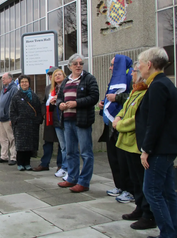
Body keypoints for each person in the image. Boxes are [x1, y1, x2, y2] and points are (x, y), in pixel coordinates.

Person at [135, 47, 177, 238]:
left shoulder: (158, 86)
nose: (139, 67)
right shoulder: (165, 83)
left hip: (160, 149)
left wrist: (146, 149)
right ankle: (172, 231)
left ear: (149, 64)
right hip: (167, 147)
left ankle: (168, 234)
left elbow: (155, 121)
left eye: (140, 63)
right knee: (168, 192)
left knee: (152, 191)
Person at [112, 61, 156, 231]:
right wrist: (117, 119)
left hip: (136, 144)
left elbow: (137, 120)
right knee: (134, 181)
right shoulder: (134, 92)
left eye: (134, 71)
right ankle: (139, 207)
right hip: (126, 143)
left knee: (142, 180)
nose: (131, 74)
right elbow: (123, 110)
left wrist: (119, 125)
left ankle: (148, 214)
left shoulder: (145, 93)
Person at [56, 53, 99, 193]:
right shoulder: (66, 81)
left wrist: (76, 103)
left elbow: (94, 97)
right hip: (67, 121)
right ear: (70, 66)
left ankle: (84, 182)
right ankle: (72, 178)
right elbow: (59, 98)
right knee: (70, 152)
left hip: (82, 121)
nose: (78, 66)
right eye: (75, 64)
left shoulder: (89, 78)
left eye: (81, 63)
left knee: (86, 153)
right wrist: (60, 104)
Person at [98, 54, 134, 203]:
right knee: (113, 159)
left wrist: (117, 98)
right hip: (110, 127)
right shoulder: (116, 78)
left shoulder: (130, 78)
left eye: (113, 65)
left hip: (122, 126)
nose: (110, 67)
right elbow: (110, 96)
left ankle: (129, 190)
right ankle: (119, 186)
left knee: (124, 160)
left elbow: (132, 98)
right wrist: (104, 102)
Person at [10, 75, 43, 171]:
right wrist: (15, 121)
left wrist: (38, 120)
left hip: (32, 124)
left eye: (26, 82)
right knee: (20, 145)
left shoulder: (34, 96)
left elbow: (38, 109)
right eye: (22, 82)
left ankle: (27, 163)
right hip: (20, 125)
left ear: (29, 83)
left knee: (30, 145)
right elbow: (12, 111)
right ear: (19, 84)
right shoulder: (16, 96)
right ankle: (20, 163)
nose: (24, 83)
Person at [33, 67, 62, 173]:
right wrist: (44, 113)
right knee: (47, 142)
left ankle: (60, 164)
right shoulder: (48, 88)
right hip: (49, 119)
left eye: (52, 75)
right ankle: (45, 163)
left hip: (59, 117)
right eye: (50, 76)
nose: (51, 77)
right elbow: (43, 101)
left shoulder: (63, 87)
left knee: (61, 142)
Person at [0, 72, 18, 165]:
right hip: (1, 118)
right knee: (2, 138)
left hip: (8, 118)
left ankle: (14, 157)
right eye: (2, 78)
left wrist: (11, 117)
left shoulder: (13, 89)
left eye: (4, 78)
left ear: (10, 79)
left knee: (11, 138)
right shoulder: (3, 89)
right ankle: (3, 156)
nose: (2, 80)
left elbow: (13, 104)